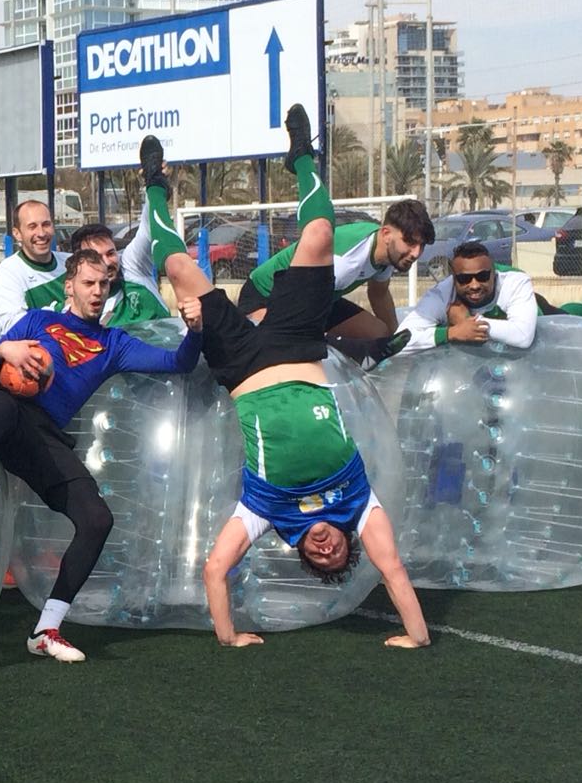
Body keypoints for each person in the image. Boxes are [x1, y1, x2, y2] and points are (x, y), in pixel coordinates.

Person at [140, 106, 431, 649]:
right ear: (348, 542)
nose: (324, 550)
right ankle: (303, 152)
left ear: (301, 550)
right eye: (335, 554)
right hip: (298, 346)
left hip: (244, 365)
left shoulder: (263, 511)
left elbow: (213, 569)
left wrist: (229, 637)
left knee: (179, 271)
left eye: (315, 558)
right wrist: (416, 636)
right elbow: (393, 571)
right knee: (319, 234)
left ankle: (153, 186)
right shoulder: (359, 504)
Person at [0, 249, 202, 663]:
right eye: (88, 283)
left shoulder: (113, 343)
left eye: (104, 284)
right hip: (2, 411)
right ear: (70, 286)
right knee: (7, 404)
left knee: (98, 519)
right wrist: (5, 351)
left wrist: (196, 330)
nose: (97, 291)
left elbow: (179, 362)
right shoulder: (38, 321)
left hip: (42, 433)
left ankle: (46, 629)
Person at [236, 195, 435, 343]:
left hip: (319, 297)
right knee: (299, 345)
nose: (416, 253)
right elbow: (302, 305)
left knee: (379, 334)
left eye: (422, 245)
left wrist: (395, 342)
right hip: (266, 296)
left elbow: (379, 294)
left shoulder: (386, 253)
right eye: (409, 242)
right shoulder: (347, 259)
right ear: (386, 234)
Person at [399, 241, 538, 352]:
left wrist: (468, 322)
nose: (474, 285)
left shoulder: (515, 282)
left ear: (494, 273)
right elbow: (399, 343)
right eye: (464, 279)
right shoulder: (441, 294)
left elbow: (524, 336)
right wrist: (450, 333)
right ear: (453, 279)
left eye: (482, 276)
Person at [69, 223, 172, 328]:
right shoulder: (69, 311)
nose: (107, 262)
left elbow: (148, 224)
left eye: (111, 253)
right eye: (96, 258)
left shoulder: (133, 270)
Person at [0, 199, 65, 333]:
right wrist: (64, 309)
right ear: (17, 234)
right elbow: (13, 327)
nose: (41, 233)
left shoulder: (71, 263)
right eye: (32, 227)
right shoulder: (9, 271)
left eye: (46, 224)